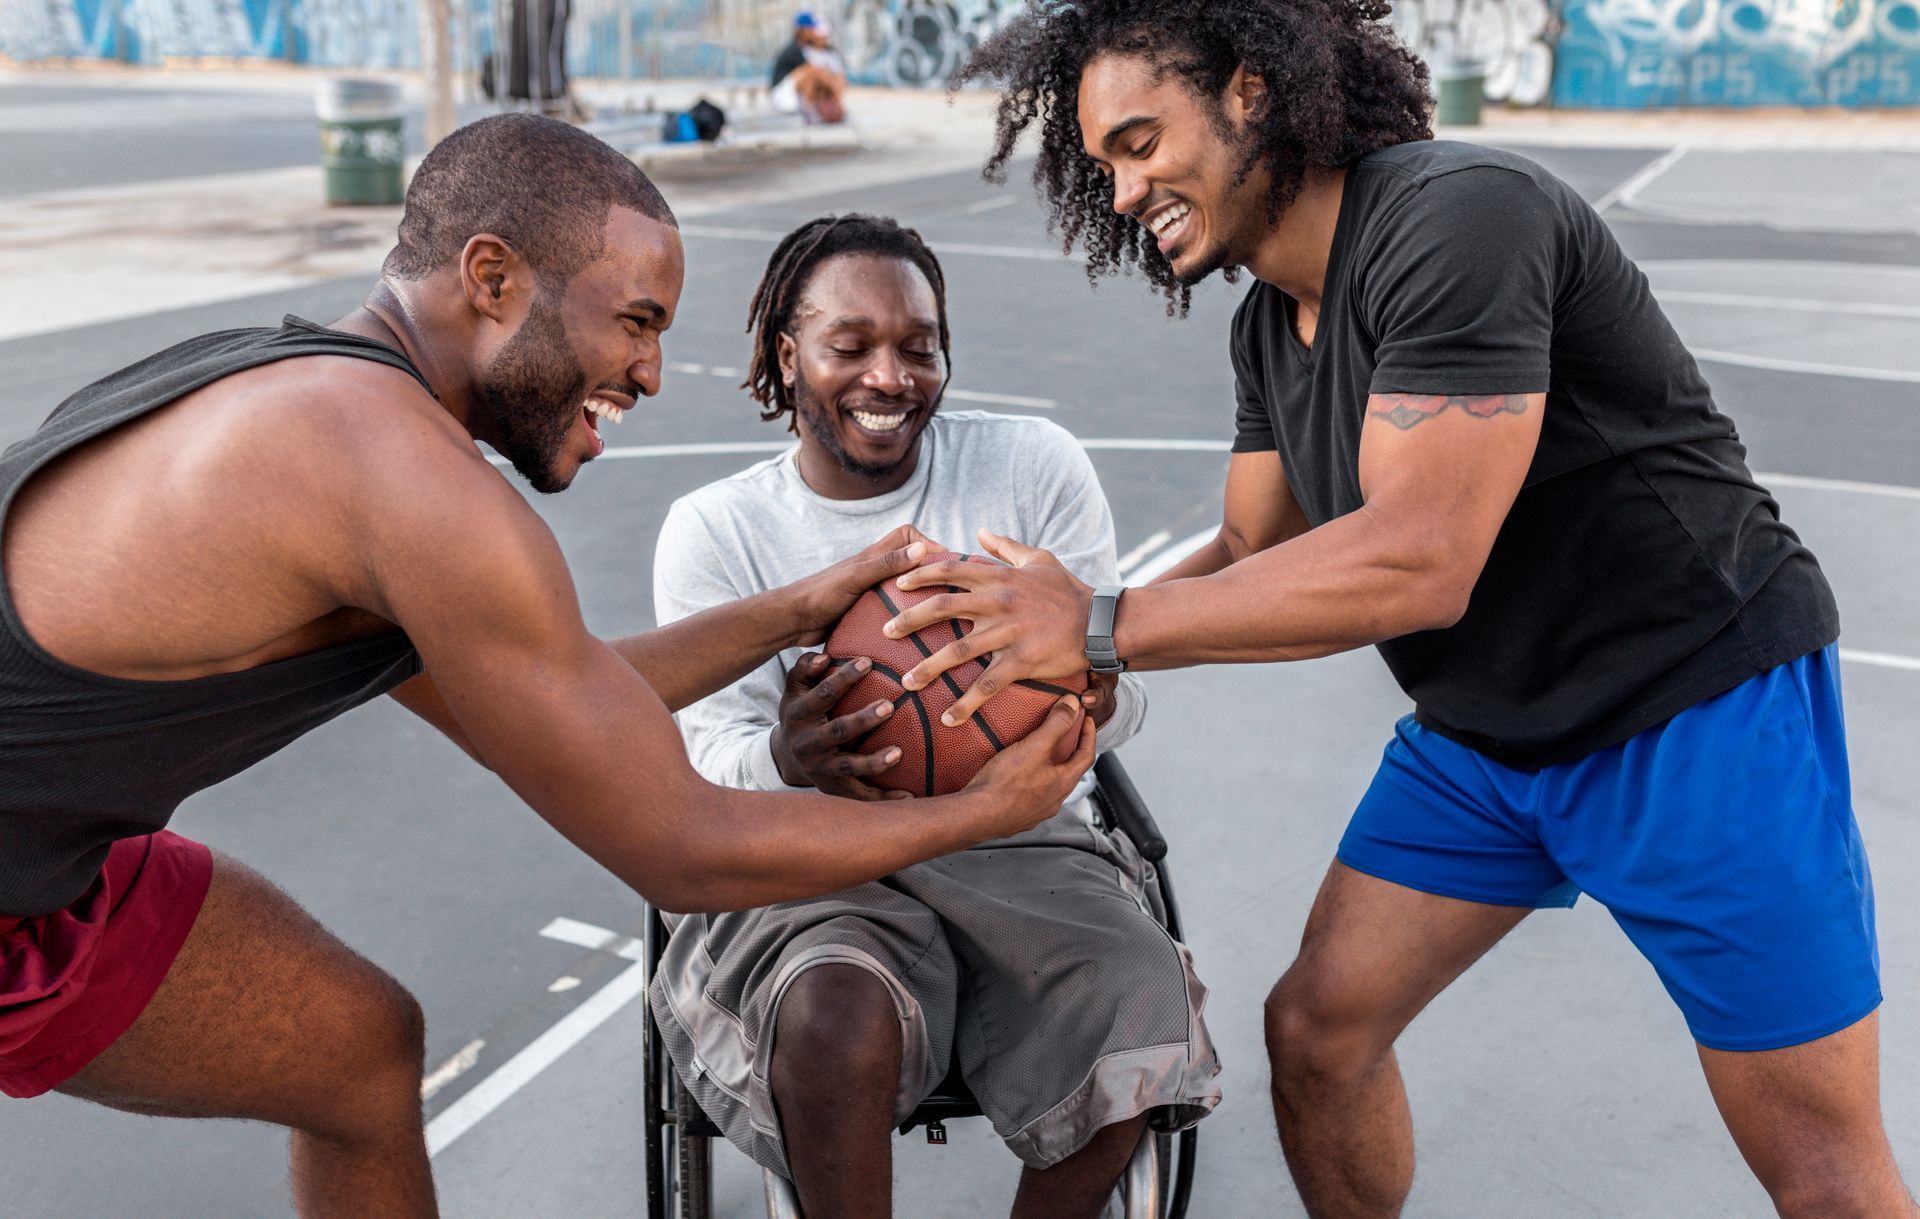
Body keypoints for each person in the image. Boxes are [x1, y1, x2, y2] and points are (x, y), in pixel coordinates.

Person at [878, 3, 1918, 1216]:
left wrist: (1097, 621)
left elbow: (1421, 557)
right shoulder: (1270, 326)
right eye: (1103, 163)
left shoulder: (1456, 214)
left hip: (1692, 709)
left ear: (1250, 90)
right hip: (1488, 736)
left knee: (1822, 1169)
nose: (1122, 190)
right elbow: (1249, 546)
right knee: (1318, 1031)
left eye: (1143, 140)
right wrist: (1056, 659)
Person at [0, 116, 1091, 1216]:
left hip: (54, 853)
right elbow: (682, 850)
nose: (653, 373)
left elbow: (567, 690)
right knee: (360, 1054)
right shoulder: (413, 488)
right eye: (635, 322)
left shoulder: (311, 401)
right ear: (493, 277)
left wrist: (795, 608)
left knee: (360, 1053)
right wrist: (981, 812)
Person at [648, 213, 1221, 1219]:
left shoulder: (1031, 466)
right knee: (831, 1017)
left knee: (1141, 991)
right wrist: (788, 757)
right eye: (850, 345)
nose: (890, 377)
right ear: (788, 358)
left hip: (1015, 831)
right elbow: (705, 762)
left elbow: (1118, 696)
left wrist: (1084, 686)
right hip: (814, 850)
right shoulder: (717, 529)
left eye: (920, 347)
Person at [769, 10, 849, 124]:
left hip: (798, 97)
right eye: (810, 29)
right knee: (812, 71)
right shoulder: (794, 50)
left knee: (822, 75)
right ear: (802, 30)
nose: (813, 32)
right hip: (784, 95)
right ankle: (811, 110)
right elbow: (813, 74)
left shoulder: (815, 50)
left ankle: (819, 109)